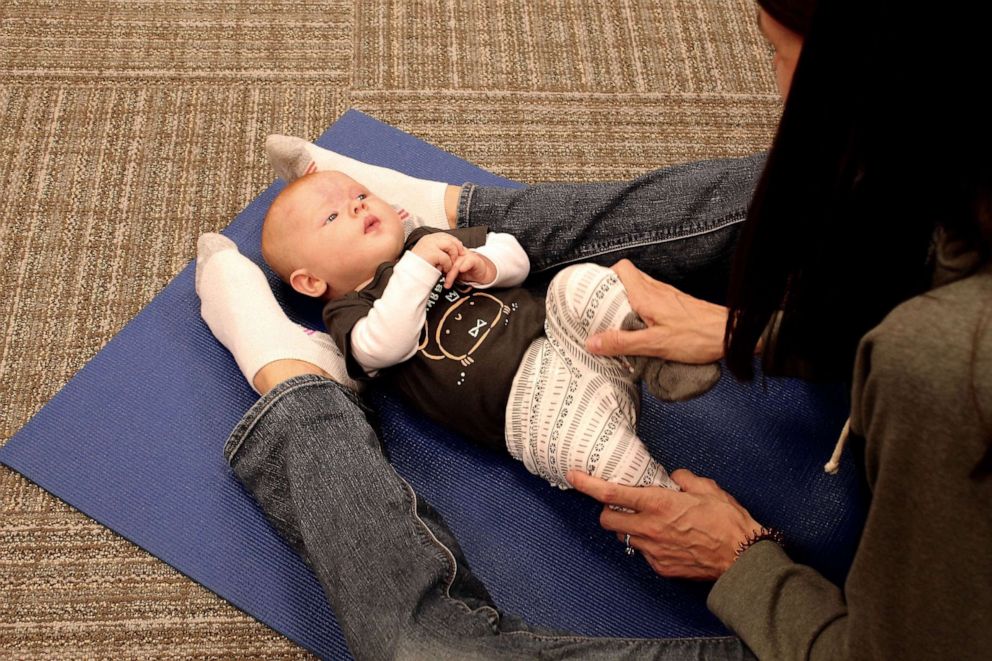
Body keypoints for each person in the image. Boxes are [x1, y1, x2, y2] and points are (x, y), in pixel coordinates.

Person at [196, 0, 992, 658]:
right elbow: (377, 345)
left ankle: (297, 389)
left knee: (427, 647)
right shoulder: (354, 309)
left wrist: (743, 562)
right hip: (534, 374)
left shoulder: (941, 365)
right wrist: (749, 335)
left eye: (779, 59)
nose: (777, 91)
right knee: (707, 223)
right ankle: (450, 205)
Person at [246, 168, 720, 490]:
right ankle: (667, 501)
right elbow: (380, 349)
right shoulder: (351, 311)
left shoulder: (427, 238)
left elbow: (516, 255)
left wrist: (484, 265)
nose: (355, 208)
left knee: (580, 282)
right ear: (311, 282)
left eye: (360, 196)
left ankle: (659, 359)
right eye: (332, 217)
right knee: (604, 463)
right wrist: (416, 269)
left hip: (567, 337)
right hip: (535, 412)